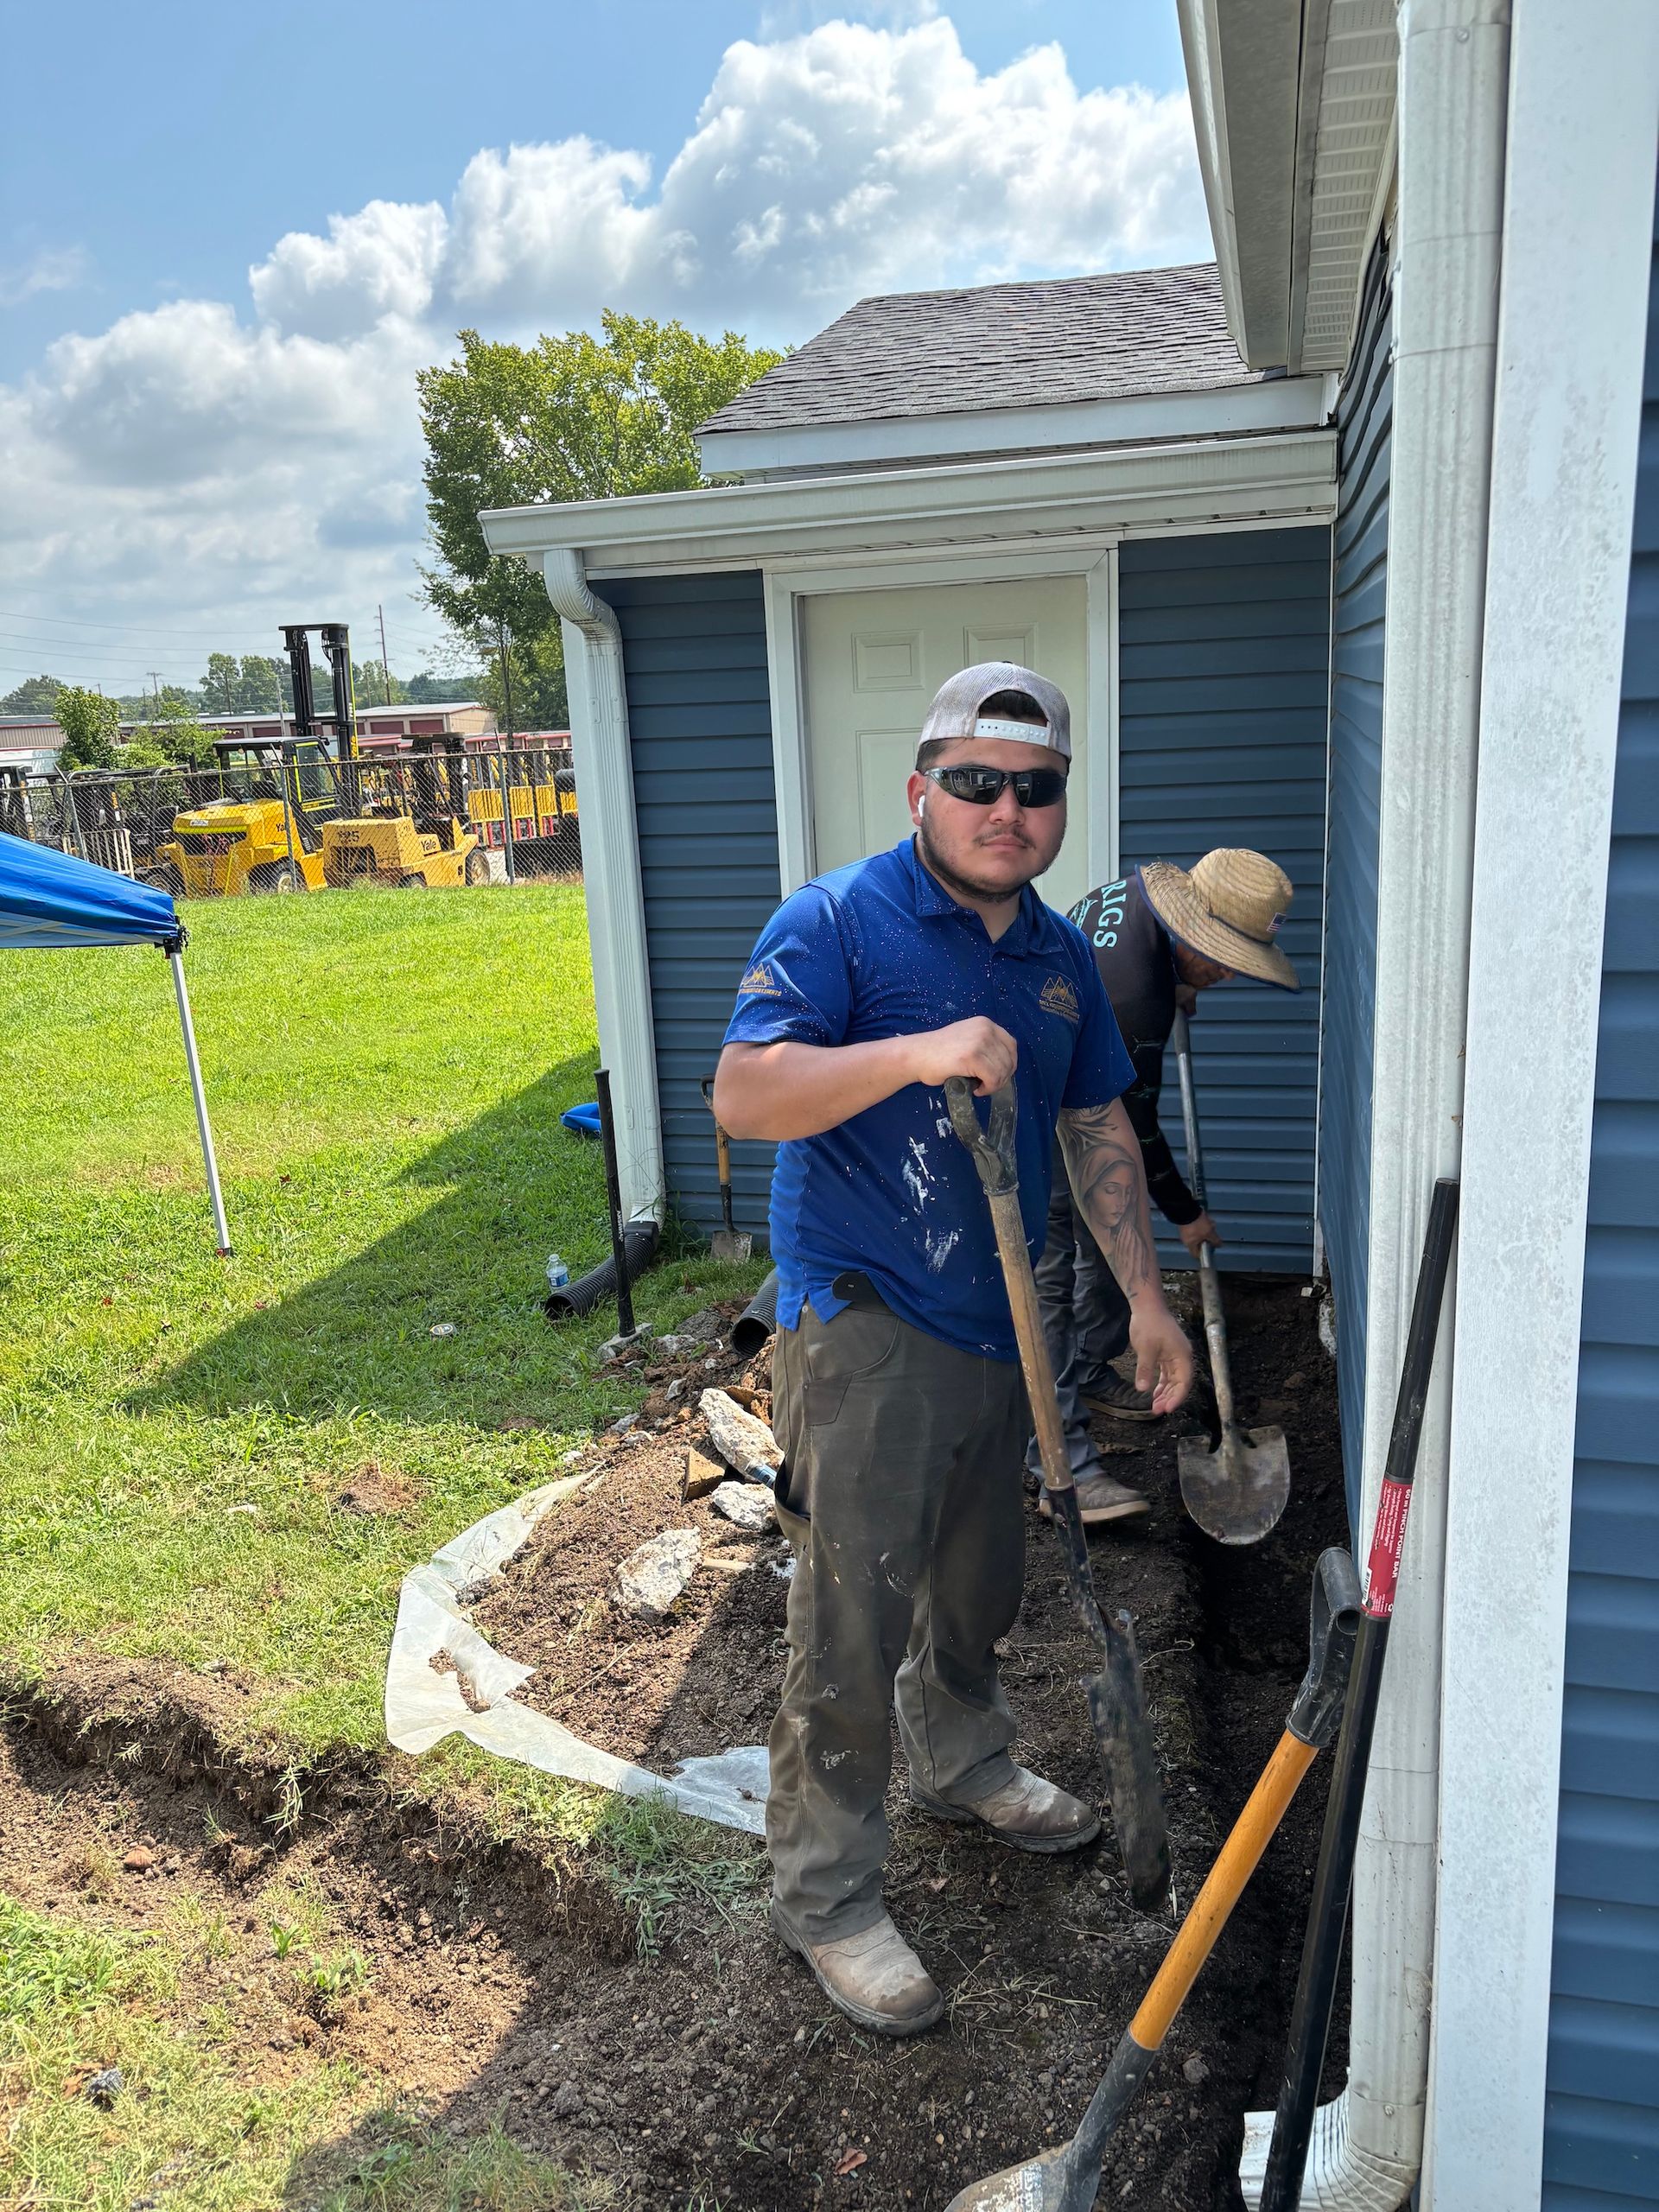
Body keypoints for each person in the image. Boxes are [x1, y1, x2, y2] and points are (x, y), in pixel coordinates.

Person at [712, 662, 1195, 2037]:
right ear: (922, 789)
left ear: (1058, 809)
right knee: (850, 1624)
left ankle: (965, 1757)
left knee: (980, 1587)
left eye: (1035, 789)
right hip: (866, 1325)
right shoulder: (839, 922)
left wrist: (1146, 1302)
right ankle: (828, 1894)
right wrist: (918, 1051)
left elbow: (1096, 1123)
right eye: (976, 783)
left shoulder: (1054, 960)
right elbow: (745, 1095)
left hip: (1005, 1324)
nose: (1006, 809)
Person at [1033, 851, 1301, 1526]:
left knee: (1102, 1250)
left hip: (1065, 1073)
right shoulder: (1134, 1001)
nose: (1229, 974)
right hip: (1032, 1114)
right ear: (1188, 933)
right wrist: (1185, 1214)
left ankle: (1093, 1370)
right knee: (1048, 1282)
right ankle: (1058, 1466)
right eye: (1223, 958)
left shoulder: (1133, 906)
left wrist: (1178, 982)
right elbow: (1132, 1134)